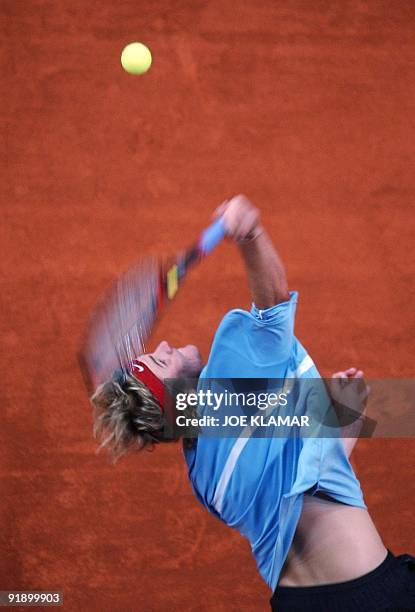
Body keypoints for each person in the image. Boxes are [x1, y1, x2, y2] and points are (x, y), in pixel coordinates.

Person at [91, 195, 415, 611]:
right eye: (160, 359)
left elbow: (296, 489)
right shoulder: (227, 374)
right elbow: (273, 304)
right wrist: (250, 234)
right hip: (377, 595)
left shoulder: (205, 479)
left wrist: (336, 428)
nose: (166, 344)